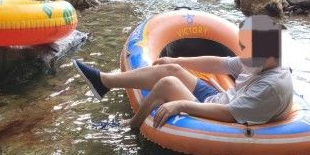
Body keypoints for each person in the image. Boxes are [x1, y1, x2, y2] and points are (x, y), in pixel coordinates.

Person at [72, 15, 293, 129]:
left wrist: (180, 104)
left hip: (220, 109)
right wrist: (177, 59)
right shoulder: (259, 60)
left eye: (246, 48)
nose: (242, 52)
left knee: (168, 84)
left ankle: (131, 125)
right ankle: (105, 82)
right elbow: (220, 64)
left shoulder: (270, 87)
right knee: (171, 69)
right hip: (220, 98)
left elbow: (229, 114)